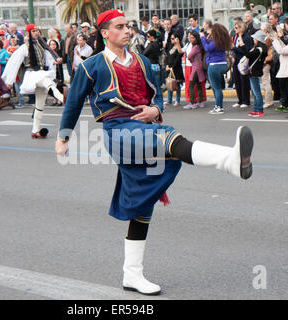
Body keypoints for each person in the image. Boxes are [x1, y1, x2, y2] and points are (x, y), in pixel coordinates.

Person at [55, 9, 254, 296]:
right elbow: (73, 103)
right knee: (169, 137)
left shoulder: (143, 62)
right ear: (105, 33)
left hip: (144, 128)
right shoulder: (91, 66)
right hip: (119, 133)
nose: (127, 31)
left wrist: (156, 109)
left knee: (142, 202)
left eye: (128, 26)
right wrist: (63, 137)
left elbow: (157, 94)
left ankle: (132, 275)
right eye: (120, 27)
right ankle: (230, 161)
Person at [1, 24, 64, 139]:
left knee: (40, 105)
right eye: (34, 31)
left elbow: (47, 60)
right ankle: (63, 98)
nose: (36, 33)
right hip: (33, 75)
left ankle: (35, 130)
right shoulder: (25, 47)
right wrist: (9, 81)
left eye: (37, 31)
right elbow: (14, 63)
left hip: (42, 72)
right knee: (47, 83)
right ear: (28, 33)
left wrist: (55, 62)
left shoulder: (42, 46)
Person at [201, 24, 233, 114]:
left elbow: (207, 48)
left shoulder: (215, 41)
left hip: (214, 65)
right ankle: (218, 106)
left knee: (216, 87)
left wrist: (203, 38)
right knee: (217, 87)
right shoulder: (220, 40)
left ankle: (219, 107)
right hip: (222, 64)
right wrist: (207, 38)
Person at [240, 30, 267, 117]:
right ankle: (256, 109)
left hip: (255, 72)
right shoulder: (258, 48)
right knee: (254, 92)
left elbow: (248, 55)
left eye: (255, 38)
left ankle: (259, 110)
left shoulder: (259, 49)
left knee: (256, 92)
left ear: (258, 39)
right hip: (253, 72)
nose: (253, 39)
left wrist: (243, 46)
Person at [232, 21, 254, 109]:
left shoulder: (247, 38)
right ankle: (240, 100)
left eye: (237, 28)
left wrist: (234, 48)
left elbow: (246, 51)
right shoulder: (236, 37)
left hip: (244, 61)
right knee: (237, 81)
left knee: (244, 81)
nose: (235, 29)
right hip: (236, 61)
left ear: (241, 28)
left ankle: (246, 101)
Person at [165, 32, 184, 107]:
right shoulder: (170, 46)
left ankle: (177, 100)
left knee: (177, 85)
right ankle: (169, 100)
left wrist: (172, 67)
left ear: (177, 39)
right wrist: (167, 65)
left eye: (173, 38)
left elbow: (178, 58)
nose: (171, 40)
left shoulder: (179, 48)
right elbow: (167, 57)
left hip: (176, 68)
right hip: (169, 68)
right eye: (171, 38)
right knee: (169, 84)